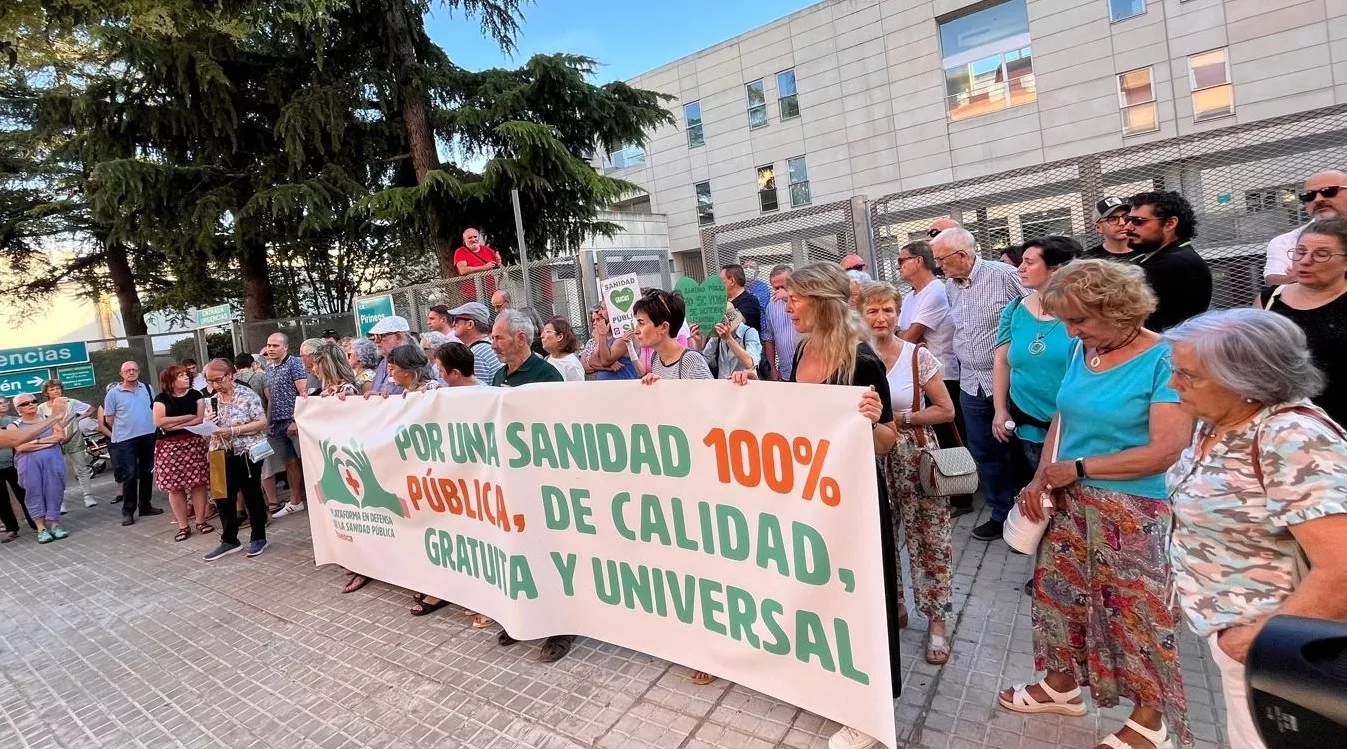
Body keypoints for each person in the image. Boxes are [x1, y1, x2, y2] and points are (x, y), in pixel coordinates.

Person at [1001, 259, 1192, 749]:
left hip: (1134, 508)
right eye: (1065, 319)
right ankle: (1062, 685)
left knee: (1136, 611)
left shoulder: (1166, 358)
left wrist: (1080, 468)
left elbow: (1165, 449)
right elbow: (1062, 422)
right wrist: (1043, 477)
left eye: (1080, 320)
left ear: (1119, 310)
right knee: (1060, 596)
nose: (1071, 330)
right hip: (1068, 496)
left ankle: (1151, 720)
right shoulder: (1083, 350)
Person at [729, 262, 901, 749]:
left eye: (793, 298)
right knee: (821, 592)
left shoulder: (862, 362)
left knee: (865, 598)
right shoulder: (803, 349)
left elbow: (887, 443)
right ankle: (832, 684)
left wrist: (872, 420)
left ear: (823, 301)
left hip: (853, 504)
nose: (784, 305)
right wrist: (752, 387)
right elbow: (795, 415)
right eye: (783, 297)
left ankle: (872, 713)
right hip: (808, 498)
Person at [1163, 309, 1347, 749]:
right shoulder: (1221, 420)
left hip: (1282, 652)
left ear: (1247, 379)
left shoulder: (1293, 437)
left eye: (1188, 375)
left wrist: (1253, 642)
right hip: (1244, 637)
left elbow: (1341, 568)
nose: (1174, 384)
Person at [859, 282, 956, 667]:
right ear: (861, 316)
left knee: (929, 536)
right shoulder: (856, 357)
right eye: (873, 311)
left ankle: (936, 622)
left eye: (888, 311)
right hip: (872, 456)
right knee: (882, 536)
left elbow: (946, 409)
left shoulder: (917, 357)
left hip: (914, 454)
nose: (881, 318)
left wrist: (900, 418)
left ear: (898, 315)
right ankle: (894, 603)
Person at [934, 227, 1026, 540]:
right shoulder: (950, 286)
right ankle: (1000, 514)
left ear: (962, 255)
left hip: (1010, 381)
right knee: (985, 451)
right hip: (971, 383)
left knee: (1022, 451)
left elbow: (1038, 311)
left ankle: (1028, 520)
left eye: (942, 259)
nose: (939, 266)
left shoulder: (1004, 275)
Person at [992, 236, 1082, 489]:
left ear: (1057, 269)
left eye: (1029, 262)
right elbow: (1002, 360)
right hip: (1028, 425)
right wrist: (1000, 409)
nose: (1020, 268)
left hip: (1074, 428)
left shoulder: (1082, 312)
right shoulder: (1014, 309)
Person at [897, 240, 969, 516]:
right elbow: (901, 335)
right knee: (936, 439)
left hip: (943, 374)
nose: (899, 265)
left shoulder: (935, 292)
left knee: (949, 436)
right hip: (920, 376)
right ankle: (946, 489)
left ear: (918, 261)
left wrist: (906, 341)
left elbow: (909, 337)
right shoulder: (911, 296)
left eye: (902, 260)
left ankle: (962, 495)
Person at [1255, 218, 1347, 425]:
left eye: (1321, 254)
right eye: (1300, 252)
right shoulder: (1270, 299)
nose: (1305, 261)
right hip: (1286, 425)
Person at [201, 358, 272, 561]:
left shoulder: (246, 395)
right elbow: (207, 431)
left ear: (230, 376)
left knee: (251, 493)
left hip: (245, 452)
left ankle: (259, 536)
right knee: (222, 497)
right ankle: (229, 539)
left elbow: (261, 422)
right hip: (218, 453)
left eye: (218, 380)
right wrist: (207, 425)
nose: (214, 385)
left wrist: (234, 430)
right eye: (210, 381)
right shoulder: (210, 400)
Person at [1125, 190, 1212, 332]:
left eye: (1138, 221)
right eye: (1129, 219)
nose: (1128, 227)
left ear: (1170, 223)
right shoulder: (1163, 258)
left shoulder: (1174, 263)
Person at [152, 364, 213, 543]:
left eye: (187, 375)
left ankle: (201, 521)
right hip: (168, 447)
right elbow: (158, 421)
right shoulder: (161, 398)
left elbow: (199, 419)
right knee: (175, 487)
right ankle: (183, 525)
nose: (186, 378)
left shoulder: (196, 395)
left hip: (193, 443)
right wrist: (186, 418)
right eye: (180, 376)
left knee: (198, 483)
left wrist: (173, 424)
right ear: (170, 380)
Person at [104, 361, 165, 526]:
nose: (131, 372)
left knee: (147, 471)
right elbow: (109, 419)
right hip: (125, 440)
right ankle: (128, 511)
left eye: (134, 370)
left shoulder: (147, 388)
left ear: (138, 372)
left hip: (148, 436)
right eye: (127, 370)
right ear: (121, 374)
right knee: (130, 474)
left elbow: (153, 409)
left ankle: (145, 506)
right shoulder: (113, 394)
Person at [1262, 170, 1347, 286]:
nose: (1317, 199)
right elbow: (1273, 283)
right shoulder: (1285, 241)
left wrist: (1303, 276)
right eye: (1309, 195)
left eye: (1329, 191)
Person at [9, 394, 70, 543]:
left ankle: (55, 524)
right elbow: (20, 446)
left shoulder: (48, 419)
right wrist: (45, 441)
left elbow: (59, 436)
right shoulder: (14, 426)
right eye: (25, 404)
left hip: (53, 462)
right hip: (29, 465)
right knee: (34, 492)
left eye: (33, 401)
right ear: (18, 409)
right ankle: (41, 528)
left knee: (55, 490)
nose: (31, 404)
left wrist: (34, 443)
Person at [263, 333, 309, 519]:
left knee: (304, 461)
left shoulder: (295, 364)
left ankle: (309, 498)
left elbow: (304, 392)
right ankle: (295, 501)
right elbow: (272, 397)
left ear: (285, 347)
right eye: (268, 345)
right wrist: (269, 422)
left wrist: (296, 420)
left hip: (293, 422)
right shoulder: (269, 368)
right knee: (289, 462)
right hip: (277, 423)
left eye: (275, 345)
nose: (271, 349)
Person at [37, 379, 97, 509]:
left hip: (74, 438)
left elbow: (91, 409)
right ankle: (61, 502)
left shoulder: (71, 402)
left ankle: (88, 496)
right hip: (55, 442)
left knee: (81, 467)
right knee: (57, 472)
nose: (56, 391)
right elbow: (39, 425)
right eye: (52, 389)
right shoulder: (41, 408)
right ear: (46, 392)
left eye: (57, 388)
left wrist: (79, 418)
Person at [633, 290, 714, 383]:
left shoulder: (690, 361)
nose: (636, 330)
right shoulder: (656, 357)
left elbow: (709, 395)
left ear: (664, 327)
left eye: (641, 323)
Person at [490, 310, 563, 387]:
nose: (493, 346)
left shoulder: (547, 376)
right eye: (493, 338)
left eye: (499, 338)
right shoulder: (499, 375)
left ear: (521, 338)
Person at [691, 302, 761, 379]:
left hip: (743, 385)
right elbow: (703, 363)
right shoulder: (717, 337)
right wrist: (698, 344)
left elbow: (750, 364)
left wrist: (728, 339)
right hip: (722, 387)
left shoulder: (750, 333)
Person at [0, 397, 35, 542]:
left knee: (24, 494)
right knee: (1, 500)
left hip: (15, 464)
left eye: (3, 402)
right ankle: (11, 528)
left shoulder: (15, 421)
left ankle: (36, 523)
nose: (2, 405)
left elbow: (22, 440)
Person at [446, 303, 504, 383]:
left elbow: (477, 392)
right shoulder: (486, 346)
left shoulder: (476, 355)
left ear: (470, 324)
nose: (453, 324)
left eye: (457, 320)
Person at [580, 305, 638, 380]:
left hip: (622, 385)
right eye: (593, 321)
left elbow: (606, 361)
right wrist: (609, 367)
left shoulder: (622, 337)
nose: (595, 323)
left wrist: (606, 363)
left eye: (598, 319)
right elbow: (591, 362)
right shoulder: (596, 340)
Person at [760, 265, 797, 381]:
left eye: (784, 287)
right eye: (776, 288)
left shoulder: (807, 300)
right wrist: (772, 368)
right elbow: (769, 338)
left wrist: (789, 297)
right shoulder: (771, 306)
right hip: (785, 370)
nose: (780, 291)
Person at [1084, 196, 1139, 261]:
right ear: (1098, 227)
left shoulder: (1149, 253)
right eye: (1112, 219)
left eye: (1126, 216)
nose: (1122, 223)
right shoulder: (1088, 261)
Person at [540, 317, 584, 382]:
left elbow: (578, 390)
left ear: (560, 337)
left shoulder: (572, 365)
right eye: (543, 332)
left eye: (547, 332)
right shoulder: (547, 359)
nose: (542, 336)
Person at [722, 263, 762, 333]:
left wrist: (729, 309)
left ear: (732, 281)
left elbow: (739, 324)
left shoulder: (750, 301)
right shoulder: (723, 301)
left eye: (721, 281)